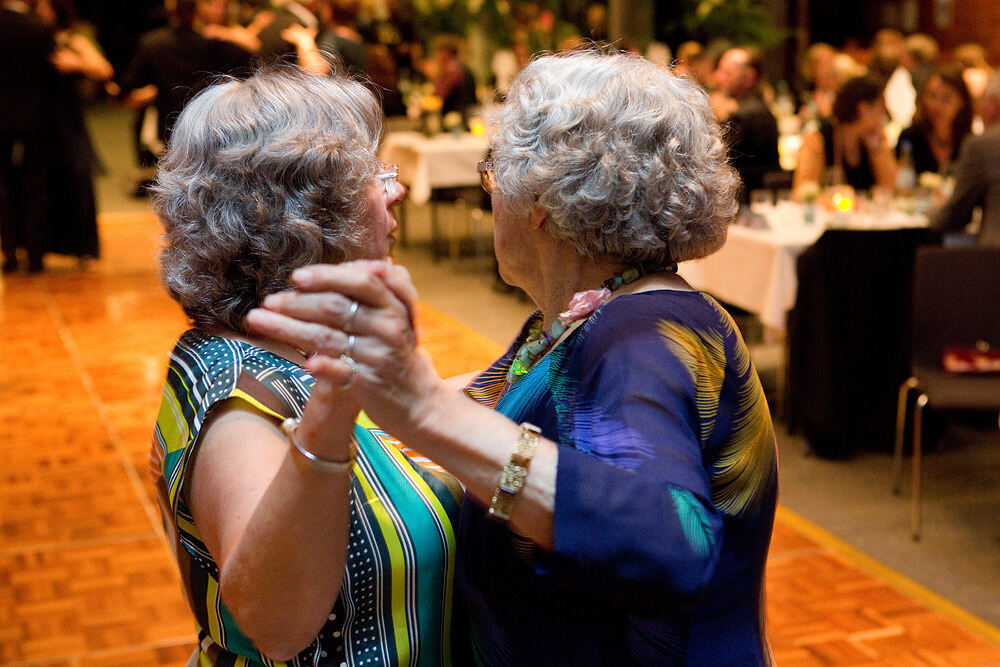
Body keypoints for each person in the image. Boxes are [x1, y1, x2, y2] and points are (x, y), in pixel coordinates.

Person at [250, 50, 780, 665]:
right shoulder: (584, 319)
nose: (491, 191)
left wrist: (426, 411)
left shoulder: (641, 335)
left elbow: (670, 541)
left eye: (493, 173)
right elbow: (505, 406)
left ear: (542, 203)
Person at [149, 65, 461, 666]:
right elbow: (276, 622)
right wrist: (342, 385)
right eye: (372, 175)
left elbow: (378, 436)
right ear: (304, 211)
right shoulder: (234, 404)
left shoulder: (255, 349)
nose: (393, 189)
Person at [794, 74, 897, 195]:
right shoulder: (819, 140)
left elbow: (893, 189)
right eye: (880, 107)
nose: (884, 114)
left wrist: (878, 151)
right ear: (863, 108)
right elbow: (803, 193)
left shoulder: (876, 139)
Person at [933, 71, 1000, 246]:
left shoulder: (982, 145)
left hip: (993, 261)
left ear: (993, 105)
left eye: (982, 101)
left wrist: (927, 214)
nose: (978, 108)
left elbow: (954, 216)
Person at [712, 46, 780, 198]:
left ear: (749, 78)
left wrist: (718, 120)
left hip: (751, 203)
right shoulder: (756, 107)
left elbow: (719, 161)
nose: (718, 77)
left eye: (727, 73)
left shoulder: (747, 115)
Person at [895, 65, 973, 176]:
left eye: (946, 98)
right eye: (932, 96)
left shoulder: (969, 142)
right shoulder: (910, 137)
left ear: (962, 102)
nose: (937, 106)